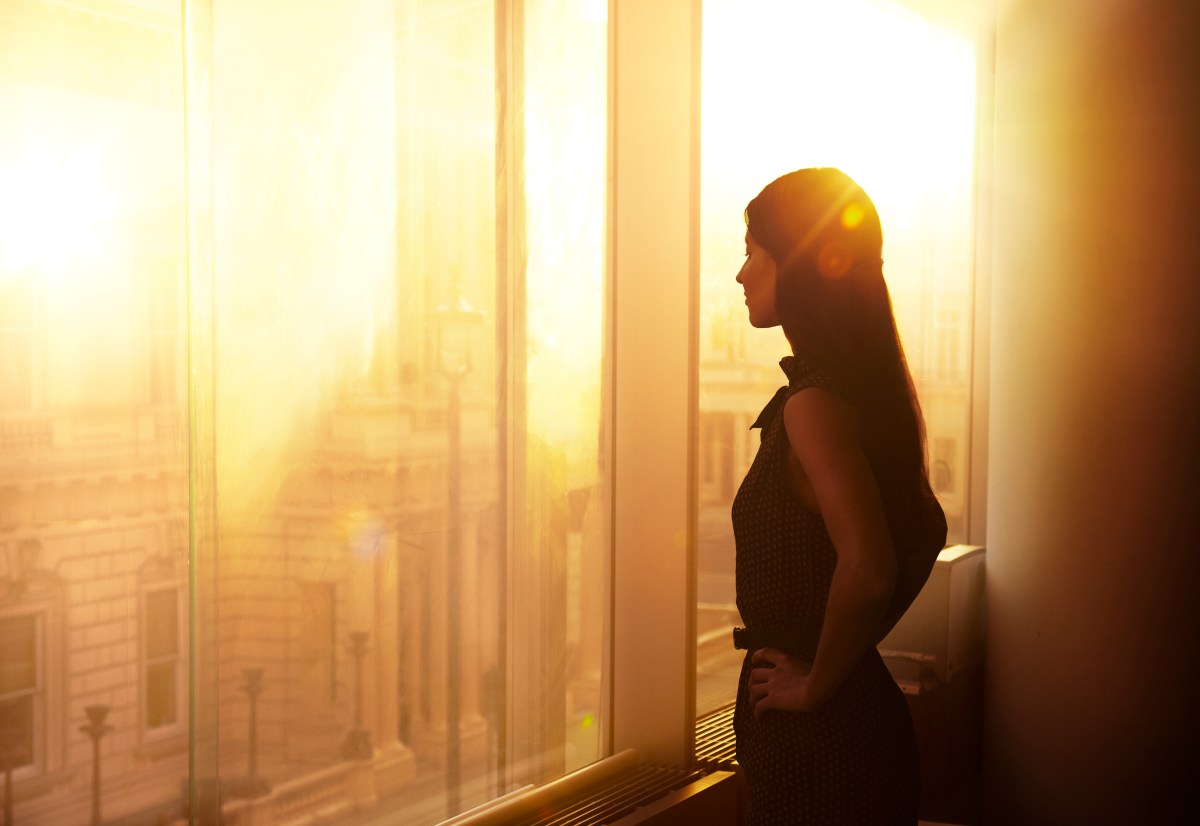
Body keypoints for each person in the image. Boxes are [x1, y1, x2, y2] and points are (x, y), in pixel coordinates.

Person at [730, 167, 947, 824]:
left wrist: (812, 684)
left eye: (751, 250)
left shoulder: (814, 407)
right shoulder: (847, 395)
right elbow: (921, 534)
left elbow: (871, 566)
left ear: (794, 264)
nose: (740, 273)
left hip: (821, 741)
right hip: (840, 724)